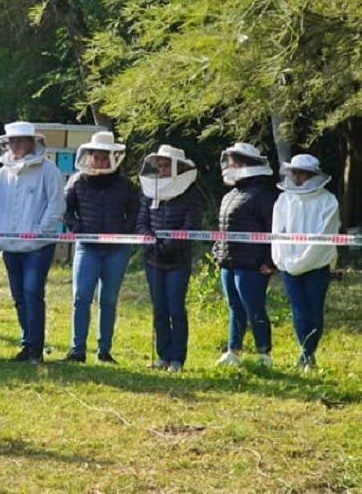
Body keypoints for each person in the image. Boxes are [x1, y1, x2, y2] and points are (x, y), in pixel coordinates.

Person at [0, 122, 65, 363]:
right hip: (10, 246)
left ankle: (36, 349)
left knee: (32, 292)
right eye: (12, 141)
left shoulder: (48, 170)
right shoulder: (4, 172)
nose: (16, 145)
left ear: (32, 142)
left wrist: (41, 231)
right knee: (19, 296)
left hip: (38, 247)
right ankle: (27, 343)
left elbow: (56, 204)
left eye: (21, 140)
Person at [62, 131, 138, 364]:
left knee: (108, 299)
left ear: (113, 157)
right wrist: (77, 227)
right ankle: (77, 350)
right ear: (90, 156)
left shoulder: (125, 185)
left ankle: (104, 350)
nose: (101, 161)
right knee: (81, 297)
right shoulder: (77, 180)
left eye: (105, 157)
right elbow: (65, 209)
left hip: (117, 249)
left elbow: (135, 212)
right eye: (97, 157)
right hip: (87, 246)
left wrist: (123, 232)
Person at [272, 154, 340, 371]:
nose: (298, 177)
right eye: (295, 172)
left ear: (312, 175)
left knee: (314, 311)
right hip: (289, 266)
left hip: (317, 266)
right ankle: (305, 353)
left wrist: (303, 260)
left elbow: (325, 236)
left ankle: (309, 353)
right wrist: (286, 261)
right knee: (299, 311)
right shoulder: (284, 199)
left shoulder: (328, 200)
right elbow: (277, 233)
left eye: (302, 173)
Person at [136, 145, 201, 372]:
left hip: (178, 261)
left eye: (166, 165)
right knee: (159, 308)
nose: (162, 169)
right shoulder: (149, 190)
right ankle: (163, 356)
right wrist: (151, 241)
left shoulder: (190, 193)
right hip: (153, 259)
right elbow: (142, 222)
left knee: (175, 308)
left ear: (177, 167)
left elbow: (190, 225)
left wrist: (168, 244)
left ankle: (177, 359)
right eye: (160, 165)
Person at [214, 143, 278, 367]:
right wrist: (218, 254)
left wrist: (270, 261)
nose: (231, 166)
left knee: (254, 306)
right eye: (230, 161)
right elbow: (223, 229)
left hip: (253, 264)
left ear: (248, 164)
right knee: (234, 306)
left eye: (236, 162)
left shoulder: (262, 194)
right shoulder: (230, 194)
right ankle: (234, 351)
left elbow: (273, 229)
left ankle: (264, 354)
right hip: (229, 262)